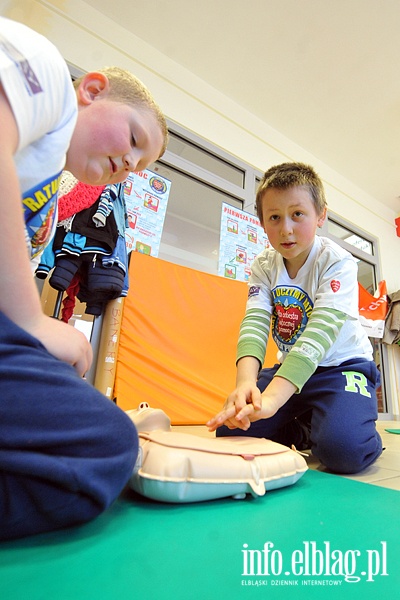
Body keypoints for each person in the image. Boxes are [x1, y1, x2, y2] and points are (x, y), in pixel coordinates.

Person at [0, 16, 168, 540]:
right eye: (136, 137)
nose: (131, 162)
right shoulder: (46, 70)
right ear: (92, 90)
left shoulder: (47, 184)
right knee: (108, 445)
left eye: (141, 164)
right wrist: (32, 321)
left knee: (103, 442)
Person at [207, 162, 382, 474]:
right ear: (263, 223)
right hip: (291, 368)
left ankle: (355, 423)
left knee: (343, 450)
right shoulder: (264, 265)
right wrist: (246, 382)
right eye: (274, 217)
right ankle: (302, 428)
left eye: (297, 214)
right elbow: (256, 322)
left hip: (341, 367)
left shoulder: (337, 261)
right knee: (233, 432)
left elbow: (320, 333)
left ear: (320, 215)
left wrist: (272, 399)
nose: (285, 228)